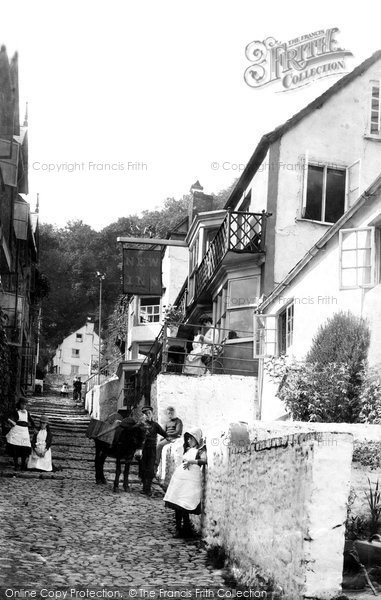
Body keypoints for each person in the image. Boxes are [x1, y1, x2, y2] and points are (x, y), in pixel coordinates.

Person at [163, 428, 207, 538]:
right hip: (180, 481)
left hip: (190, 482)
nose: (188, 441)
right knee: (177, 504)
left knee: (185, 505)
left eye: (190, 439)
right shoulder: (187, 450)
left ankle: (186, 530)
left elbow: (204, 460)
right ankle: (178, 529)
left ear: (196, 439)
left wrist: (191, 461)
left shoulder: (200, 450)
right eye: (187, 439)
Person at [139, 406, 168, 496]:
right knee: (143, 468)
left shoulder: (155, 425)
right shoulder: (141, 425)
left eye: (149, 413)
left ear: (152, 414)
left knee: (150, 469)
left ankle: (148, 489)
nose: (147, 415)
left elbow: (165, 434)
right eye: (145, 414)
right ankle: (144, 488)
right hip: (143, 449)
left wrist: (166, 441)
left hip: (151, 450)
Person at [6, 397, 36, 471]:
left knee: (25, 447)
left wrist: (34, 427)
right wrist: (13, 423)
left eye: (25, 404)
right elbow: (7, 417)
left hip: (24, 432)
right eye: (22, 404)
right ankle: (16, 465)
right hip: (17, 431)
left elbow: (31, 421)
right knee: (15, 448)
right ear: (19, 404)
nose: (24, 406)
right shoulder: (16, 412)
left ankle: (23, 465)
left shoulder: (26, 413)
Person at [155, 407, 183, 471]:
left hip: (174, 437)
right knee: (158, 443)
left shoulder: (178, 421)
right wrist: (163, 436)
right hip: (167, 437)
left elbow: (178, 432)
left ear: (174, 413)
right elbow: (163, 431)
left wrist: (167, 435)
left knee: (159, 445)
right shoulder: (167, 422)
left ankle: (155, 465)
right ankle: (156, 462)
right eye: (168, 413)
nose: (170, 414)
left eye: (171, 413)